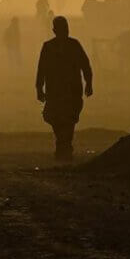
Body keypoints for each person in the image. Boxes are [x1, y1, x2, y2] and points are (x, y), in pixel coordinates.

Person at [35, 15, 93, 162]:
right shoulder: (51, 47)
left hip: (70, 91)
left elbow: (85, 65)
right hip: (57, 92)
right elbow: (41, 69)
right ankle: (64, 146)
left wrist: (89, 82)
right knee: (59, 119)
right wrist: (39, 88)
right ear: (55, 30)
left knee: (68, 119)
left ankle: (63, 146)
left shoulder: (70, 45)